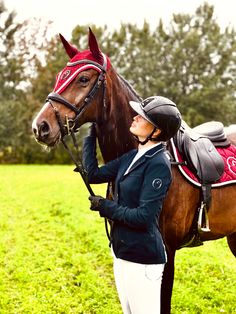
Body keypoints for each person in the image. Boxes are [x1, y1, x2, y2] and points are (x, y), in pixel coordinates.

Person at [82, 96, 181, 314]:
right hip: (121, 252)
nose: (135, 117)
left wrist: (105, 206)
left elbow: (144, 217)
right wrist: (90, 137)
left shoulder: (159, 164)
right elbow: (93, 174)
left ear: (156, 131)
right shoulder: (132, 157)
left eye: (143, 117)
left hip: (143, 259)